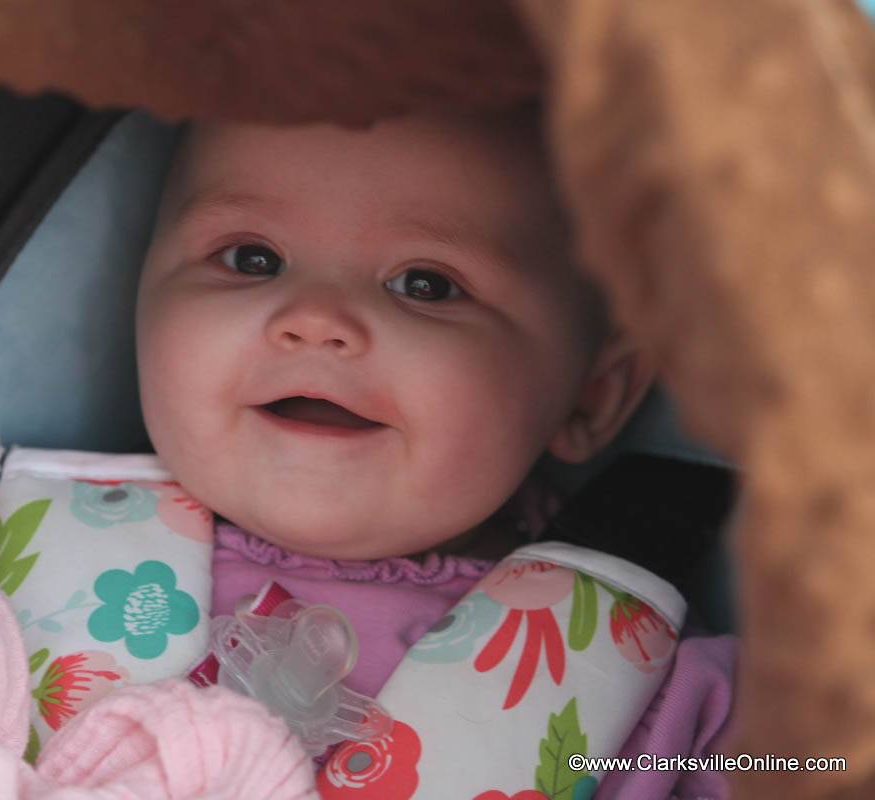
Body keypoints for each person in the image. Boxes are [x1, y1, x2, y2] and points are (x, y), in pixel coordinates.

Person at [132, 110, 736, 797]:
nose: (315, 319)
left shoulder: (660, 689)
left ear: (590, 396)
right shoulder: (29, 564)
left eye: (426, 285)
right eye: (252, 259)